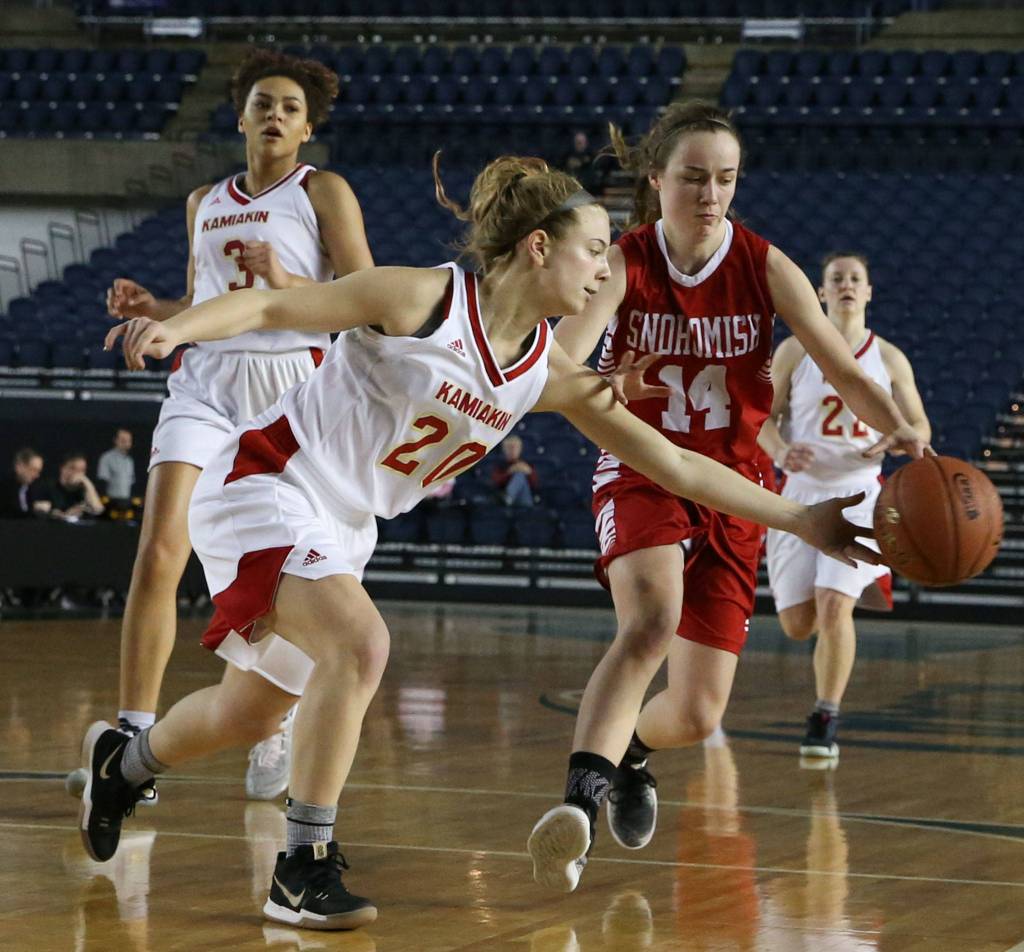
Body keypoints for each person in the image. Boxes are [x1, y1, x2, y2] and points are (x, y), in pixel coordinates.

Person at [80, 153, 876, 932]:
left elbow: (675, 464)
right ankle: (302, 865)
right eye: (594, 249)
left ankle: (125, 765)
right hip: (268, 482)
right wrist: (174, 327)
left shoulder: (546, 374)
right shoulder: (423, 297)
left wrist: (801, 520)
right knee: (360, 647)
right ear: (539, 247)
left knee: (249, 711)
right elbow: (269, 310)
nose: (605, 270)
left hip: (346, 527)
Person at [535, 100, 928, 892]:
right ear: (657, 179)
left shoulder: (764, 264)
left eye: (725, 178)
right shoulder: (627, 261)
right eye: (693, 178)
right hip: (642, 466)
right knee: (649, 622)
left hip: (737, 489)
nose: (710, 193)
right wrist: (603, 382)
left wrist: (910, 438)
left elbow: (849, 371)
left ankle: (634, 752)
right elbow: (558, 366)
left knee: (700, 714)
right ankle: (578, 804)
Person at [88, 48, 374, 803]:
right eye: (262, 103)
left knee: (281, 571)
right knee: (158, 549)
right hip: (208, 383)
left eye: (288, 106)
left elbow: (367, 297)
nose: (274, 114)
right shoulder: (202, 201)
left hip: (294, 393)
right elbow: (199, 299)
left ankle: (270, 721)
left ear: (307, 127)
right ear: (241, 116)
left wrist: (285, 282)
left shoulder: (323, 192)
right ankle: (129, 736)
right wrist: (153, 310)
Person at [759, 252, 930, 762]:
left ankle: (825, 715)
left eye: (856, 278)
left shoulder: (890, 358)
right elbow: (760, 421)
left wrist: (899, 440)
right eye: (837, 278)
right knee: (796, 624)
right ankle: (824, 686)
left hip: (861, 494)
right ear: (821, 291)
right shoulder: (792, 351)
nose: (847, 285)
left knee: (835, 606)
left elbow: (921, 427)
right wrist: (781, 451)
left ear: (869, 291)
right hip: (800, 492)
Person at [42, 452, 105, 520]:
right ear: (62, 468)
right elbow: (46, 512)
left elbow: (98, 510)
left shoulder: (85, 489)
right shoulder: (49, 487)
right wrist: (66, 515)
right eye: (72, 468)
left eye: (82, 470)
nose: (78, 473)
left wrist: (87, 484)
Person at [491, 433, 538, 506]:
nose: (513, 450)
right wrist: (510, 472)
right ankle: (508, 497)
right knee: (519, 474)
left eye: (516, 447)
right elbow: (496, 482)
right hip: (502, 495)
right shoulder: (500, 465)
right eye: (510, 447)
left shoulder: (527, 464)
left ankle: (508, 497)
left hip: (524, 499)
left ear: (520, 449)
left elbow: (536, 485)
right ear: (504, 449)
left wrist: (529, 472)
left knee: (520, 475)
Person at [1, 447, 47, 518]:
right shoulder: (4, 489)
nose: (37, 475)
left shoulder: (32, 489)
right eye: (33, 470)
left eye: (39, 471)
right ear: (19, 467)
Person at [96, 428, 137, 509]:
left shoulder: (129, 461)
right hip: (110, 503)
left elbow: (131, 482)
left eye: (128, 440)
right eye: (123, 440)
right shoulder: (106, 458)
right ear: (115, 440)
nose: (126, 443)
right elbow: (102, 482)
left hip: (126, 503)